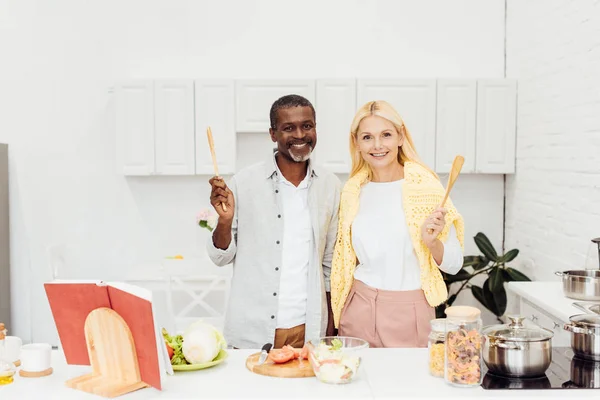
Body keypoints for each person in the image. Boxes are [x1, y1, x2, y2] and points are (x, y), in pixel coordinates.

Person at [207, 94, 341, 349]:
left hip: (309, 331)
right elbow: (220, 257)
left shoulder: (330, 186)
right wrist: (224, 222)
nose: (300, 135)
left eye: (307, 126)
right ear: (272, 134)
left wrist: (330, 331)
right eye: (288, 128)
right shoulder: (243, 183)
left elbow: (330, 267)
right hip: (253, 332)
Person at [330, 100, 464, 348]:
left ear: (401, 136)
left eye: (386, 135)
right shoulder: (352, 191)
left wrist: (432, 243)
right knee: (352, 383)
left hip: (409, 310)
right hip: (358, 306)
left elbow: (455, 264)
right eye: (367, 137)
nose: (378, 145)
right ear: (356, 143)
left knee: (408, 386)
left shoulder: (427, 189)